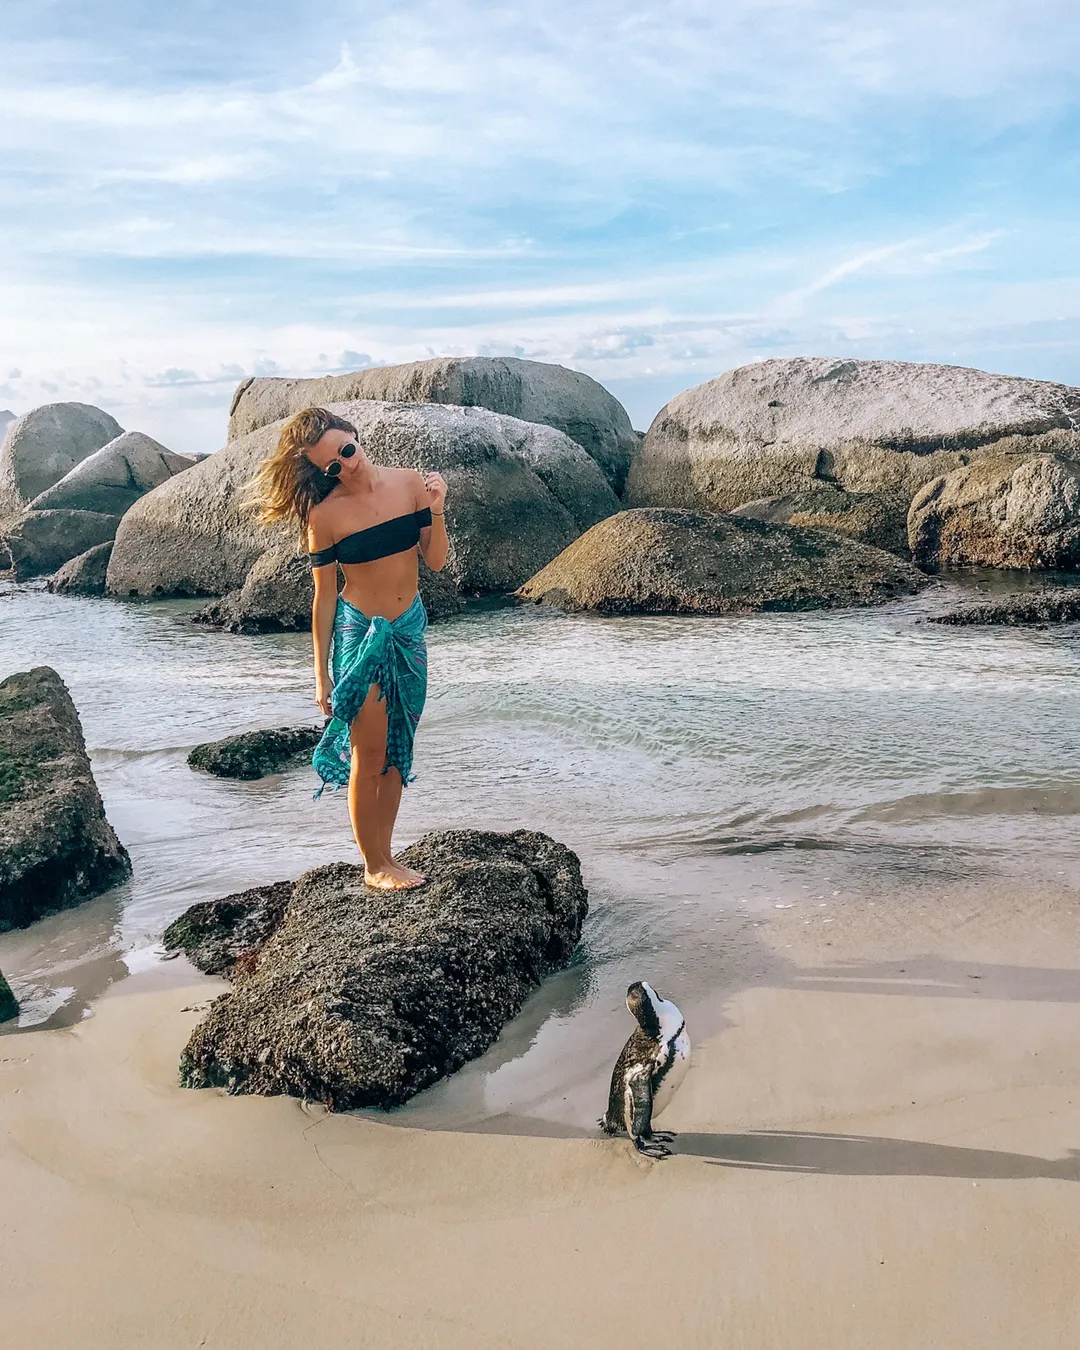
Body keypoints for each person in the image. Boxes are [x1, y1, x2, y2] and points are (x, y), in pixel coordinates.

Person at [250, 406, 449, 890]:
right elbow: (322, 600)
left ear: (355, 435)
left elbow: (437, 562)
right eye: (332, 466)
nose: (346, 465)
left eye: (346, 450)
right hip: (361, 635)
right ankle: (373, 865)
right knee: (368, 748)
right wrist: (321, 673)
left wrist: (438, 507)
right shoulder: (324, 515)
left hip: (409, 630)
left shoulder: (409, 486)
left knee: (400, 744)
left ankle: (388, 855)